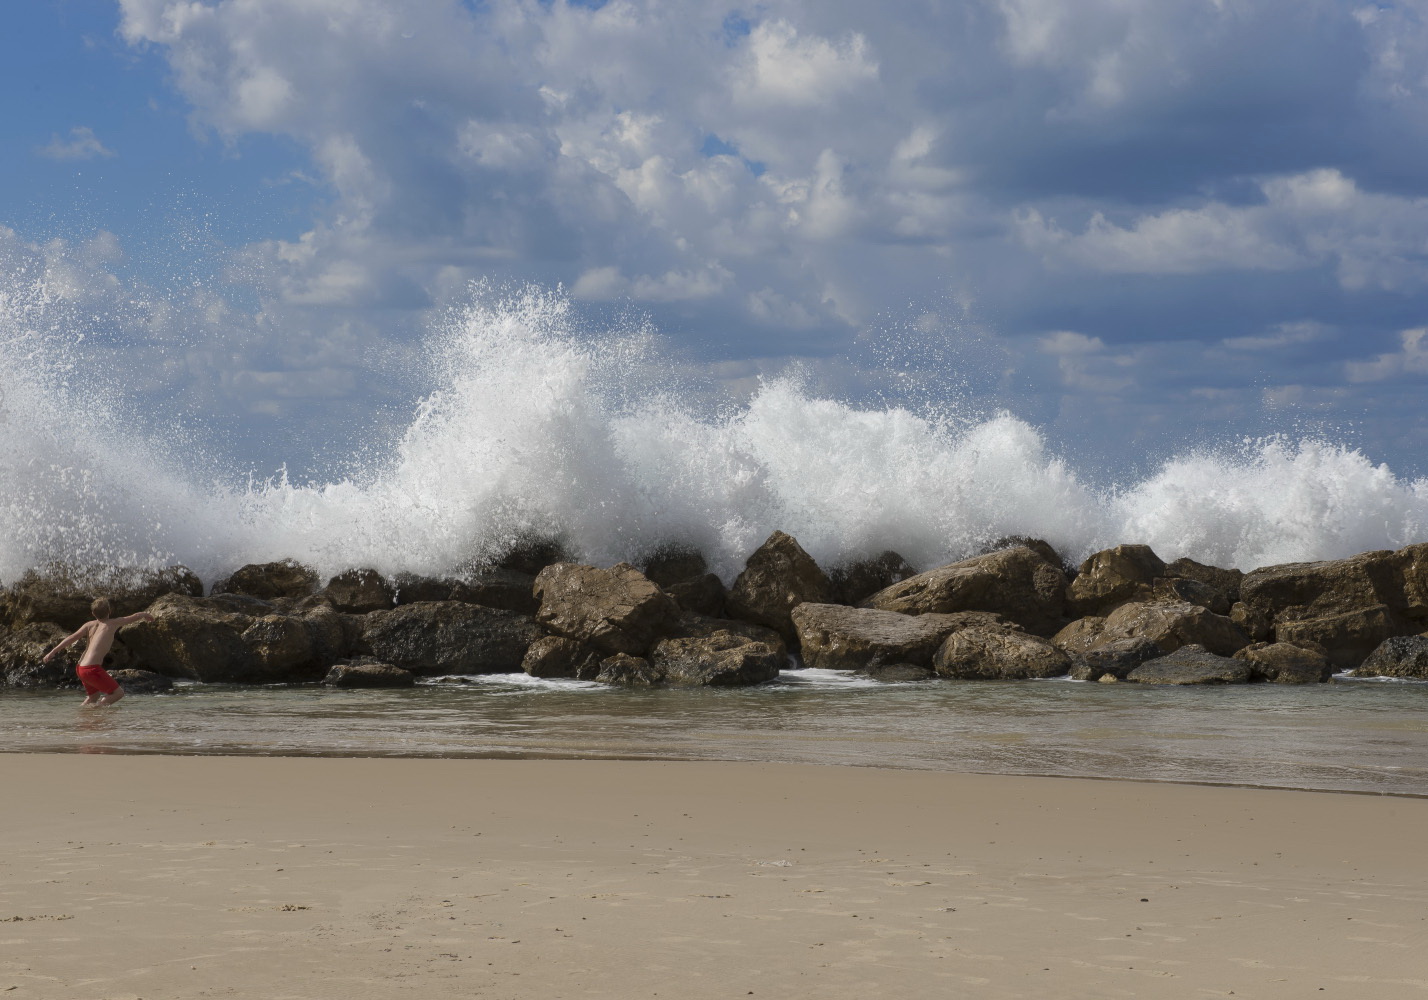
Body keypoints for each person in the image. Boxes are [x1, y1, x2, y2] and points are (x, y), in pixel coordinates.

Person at [42, 598, 155, 708]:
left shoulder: (88, 625)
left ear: (93, 613)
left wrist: (52, 652)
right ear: (110, 611)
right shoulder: (112, 623)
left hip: (80, 668)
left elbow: (71, 638)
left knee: (93, 696)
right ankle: (96, 711)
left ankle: (81, 714)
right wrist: (144, 614)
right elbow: (133, 617)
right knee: (118, 693)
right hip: (92, 669)